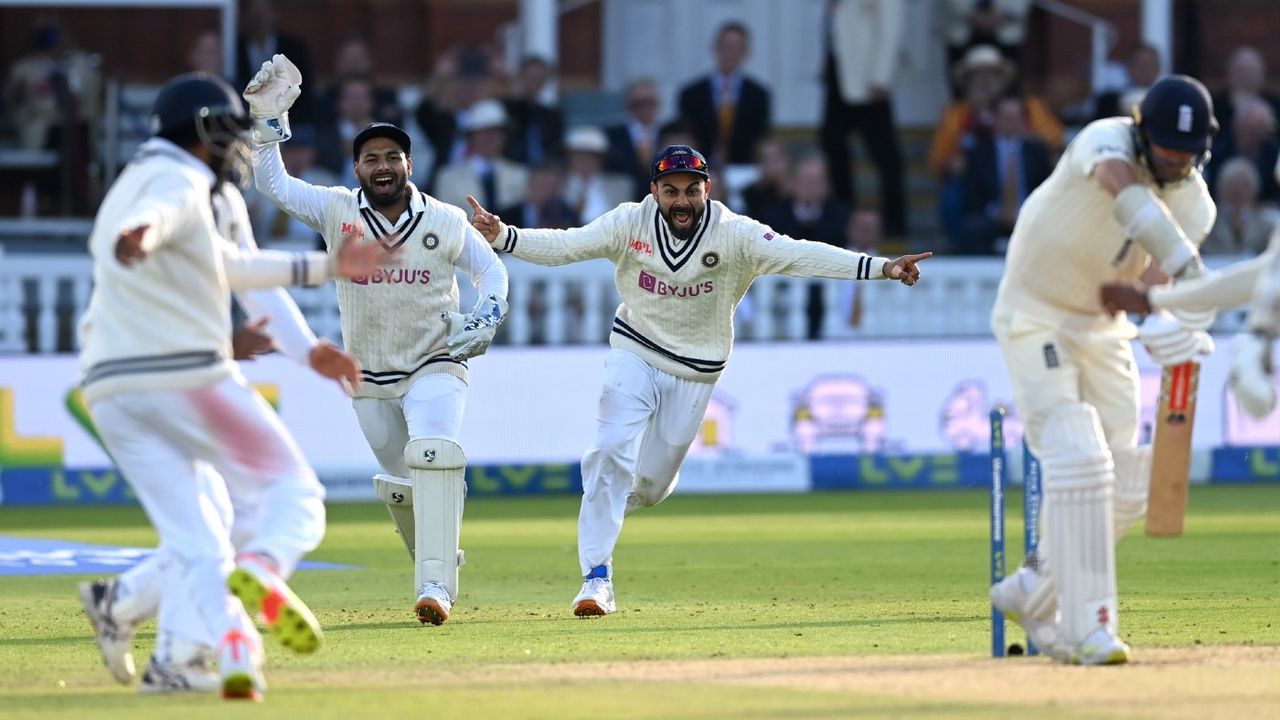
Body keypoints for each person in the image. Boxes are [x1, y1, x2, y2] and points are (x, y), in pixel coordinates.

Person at [466, 144, 931, 617]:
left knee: (648, 486)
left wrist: (883, 267)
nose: (681, 201)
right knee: (608, 454)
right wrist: (505, 235)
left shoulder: (736, 234)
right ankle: (596, 579)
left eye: (692, 190)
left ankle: (617, 489)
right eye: (670, 191)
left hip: (695, 370)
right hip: (635, 350)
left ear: (707, 189)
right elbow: (568, 245)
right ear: (654, 191)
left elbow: (801, 255)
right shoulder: (629, 222)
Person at [76, 70, 387, 700]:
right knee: (293, 495)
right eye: (225, 133)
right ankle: (261, 572)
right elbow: (170, 222)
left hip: (111, 389)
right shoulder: (178, 178)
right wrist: (325, 270)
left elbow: (235, 269)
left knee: (203, 532)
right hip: (186, 378)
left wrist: (306, 350)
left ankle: (179, 648)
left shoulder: (160, 183)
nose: (234, 147)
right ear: (199, 134)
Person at [244, 55, 510, 626]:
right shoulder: (337, 208)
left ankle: (434, 587)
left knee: (434, 455)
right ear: (357, 166)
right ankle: (440, 562)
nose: (383, 166)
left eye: (393, 157)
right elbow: (272, 183)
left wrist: (487, 312)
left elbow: (491, 271)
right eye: (372, 158)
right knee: (402, 485)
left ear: (409, 163)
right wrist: (268, 122)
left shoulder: (443, 219)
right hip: (367, 373)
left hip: (436, 360)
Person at [988, 76, 1220, 665]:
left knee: (1127, 483)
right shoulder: (1106, 139)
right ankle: (1092, 628)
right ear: (1143, 131)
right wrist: (1182, 263)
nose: (1174, 160)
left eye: (1185, 154)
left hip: (1102, 330)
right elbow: (1118, 185)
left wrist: (1150, 295)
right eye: (1165, 147)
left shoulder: (1198, 205)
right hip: (1035, 316)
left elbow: (1146, 290)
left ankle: (1034, 592)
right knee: (1079, 457)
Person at [821, 0, 908, 239]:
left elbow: (891, 25)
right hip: (840, 70)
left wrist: (882, 75)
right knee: (833, 144)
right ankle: (843, 217)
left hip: (868, 77)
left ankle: (894, 222)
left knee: (884, 153)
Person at [676, 21, 771, 167]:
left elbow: (761, 138)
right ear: (716, 48)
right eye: (726, 46)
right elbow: (685, 137)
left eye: (737, 47)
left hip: (744, 168)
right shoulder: (691, 94)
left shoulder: (758, 95)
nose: (731, 53)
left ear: (746, 52)